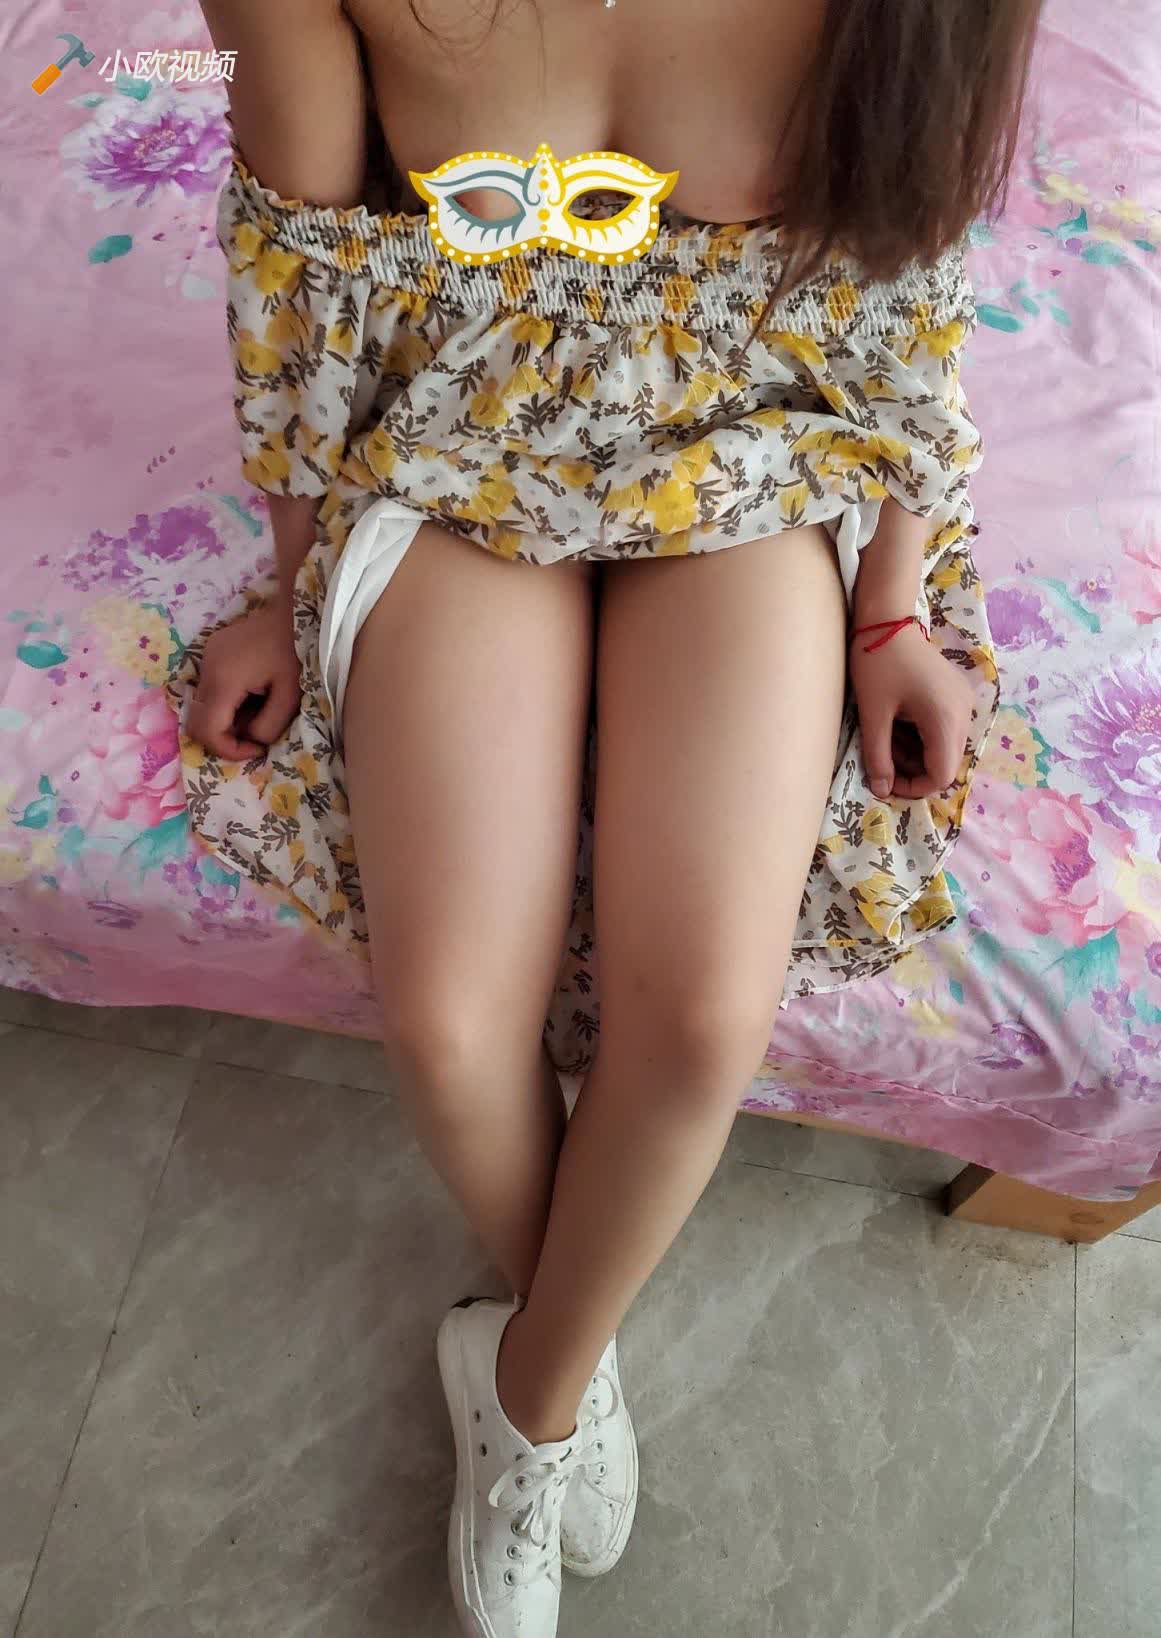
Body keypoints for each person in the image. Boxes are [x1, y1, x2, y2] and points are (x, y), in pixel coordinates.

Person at [181, 2, 1041, 1632]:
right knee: (449, 1020)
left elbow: (903, 264)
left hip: (759, 424)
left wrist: (890, 605)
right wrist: (290, 589)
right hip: (454, 417)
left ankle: (528, 1386)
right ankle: (568, 1341)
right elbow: (297, 269)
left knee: (702, 1012)